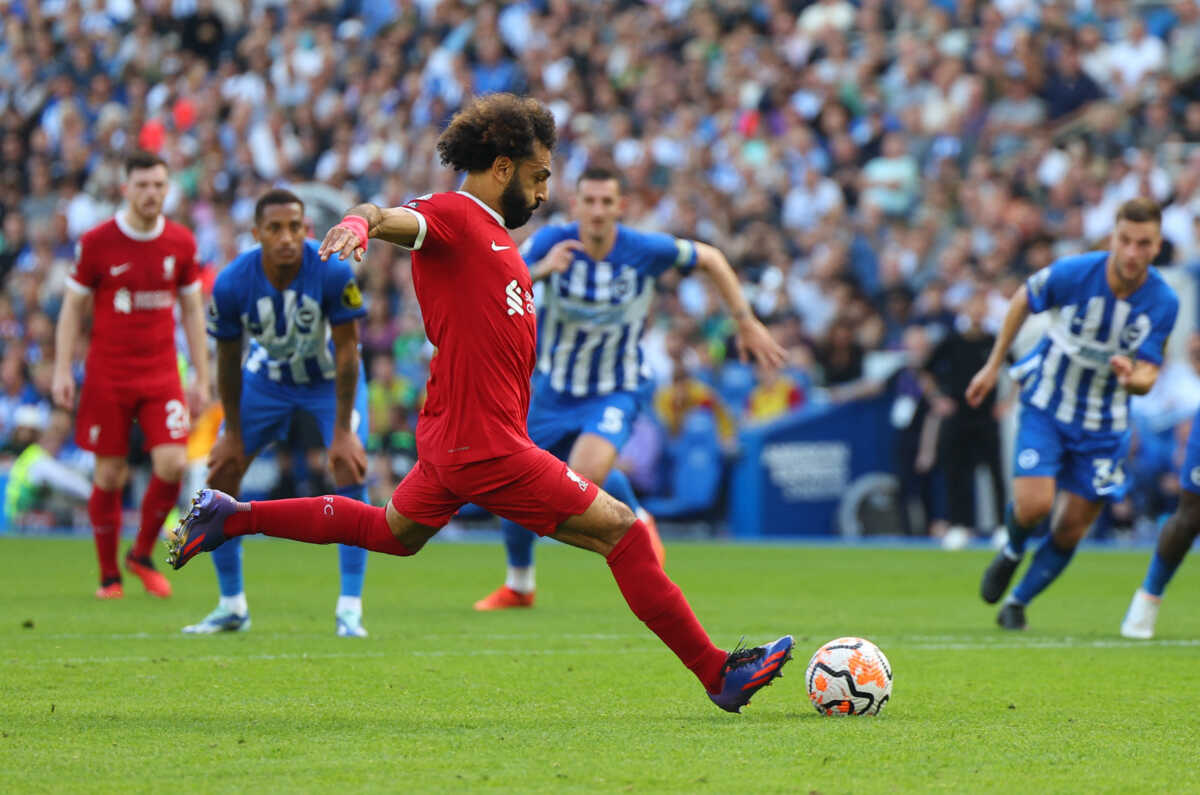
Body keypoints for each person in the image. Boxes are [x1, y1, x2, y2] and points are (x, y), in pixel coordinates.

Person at [167, 93, 792, 713]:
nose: (544, 192)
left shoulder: (496, 240)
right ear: (502, 167)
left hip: (458, 437)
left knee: (392, 531)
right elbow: (390, 217)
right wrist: (361, 222)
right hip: (488, 445)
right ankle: (718, 673)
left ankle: (232, 515)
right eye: (539, 175)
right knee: (624, 534)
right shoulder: (455, 216)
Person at [473, 165, 785, 610]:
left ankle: (636, 517)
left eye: (606, 202)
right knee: (512, 485)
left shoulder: (642, 248)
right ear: (576, 204)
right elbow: (497, 284)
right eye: (590, 201)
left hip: (615, 387)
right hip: (552, 392)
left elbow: (712, 258)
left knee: (579, 479)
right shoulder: (549, 243)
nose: (597, 211)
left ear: (621, 206)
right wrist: (542, 271)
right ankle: (520, 585)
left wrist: (746, 322)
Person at [968, 198, 1179, 630]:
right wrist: (994, 365)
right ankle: (1012, 550)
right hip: (1048, 402)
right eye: (1126, 240)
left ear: (1157, 246)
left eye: (1144, 243)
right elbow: (1022, 299)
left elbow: (1148, 375)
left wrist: (1129, 377)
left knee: (1070, 528)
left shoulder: (1163, 301)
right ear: (1113, 238)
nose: (1133, 252)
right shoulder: (1076, 272)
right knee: (1034, 506)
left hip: (1105, 425)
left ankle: (1017, 602)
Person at [183, 189, 371, 637]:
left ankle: (350, 608)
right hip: (266, 381)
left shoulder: (330, 269)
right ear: (257, 234)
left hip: (327, 381)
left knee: (348, 463)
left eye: (295, 227)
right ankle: (232, 605)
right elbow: (228, 360)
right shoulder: (232, 282)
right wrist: (229, 430)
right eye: (275, 228)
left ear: (306, 229)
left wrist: (343, 430)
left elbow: (348, 353)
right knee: (223, 469)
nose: (287, 237)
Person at [52, 150, 210, 600]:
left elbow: (193, 310)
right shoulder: (98, 242)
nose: (151, 193)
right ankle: (108, 577)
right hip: (108, 375)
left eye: (159, 185)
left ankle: (140, 554)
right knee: (109, 475)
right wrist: (63, 368)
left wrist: (201, 375)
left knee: (173, 462)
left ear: (168, 188)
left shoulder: (181, 242)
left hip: (161, 373)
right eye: (142, 185)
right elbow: (71, 309)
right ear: (126, 188)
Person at [921, 290, 1004, 538]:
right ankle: (959, 525)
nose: (978, 312)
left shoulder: (994, 341)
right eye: (973, 306)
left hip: (986, 416)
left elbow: (1017, 369)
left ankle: (1001, 526)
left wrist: (1007, 403)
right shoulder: (951, 340)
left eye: (982, 306)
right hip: (958, 415)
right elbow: (926, 371)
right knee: (956, 472)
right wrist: (937, 399)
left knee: (995, 472)